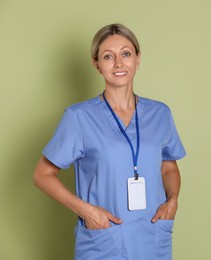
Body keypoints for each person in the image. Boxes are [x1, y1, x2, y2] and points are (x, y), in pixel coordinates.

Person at [33, 23, 186, 260]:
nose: (118, 63)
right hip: (104, 239)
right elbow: (42, 175)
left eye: (126, 53)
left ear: (137, 59)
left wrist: (173, 200)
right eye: (108, 56)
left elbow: (168, 166)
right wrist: (86, 211)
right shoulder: (79, 118)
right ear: (96, 64)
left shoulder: (160, 113)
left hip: (152, 236)